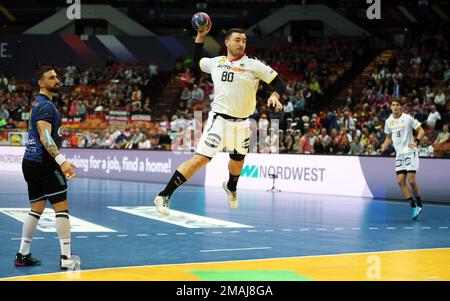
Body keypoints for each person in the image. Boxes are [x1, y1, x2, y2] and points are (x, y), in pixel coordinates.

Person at [153, 26, 285, 215]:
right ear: (227, 42)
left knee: (238, 162)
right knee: (199, 160)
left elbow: (279, 83)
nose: (241, 43)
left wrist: (275, 95)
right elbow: (198, 61)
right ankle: (164, 195)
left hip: (243, 123)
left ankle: (231, 187)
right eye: (237, 40)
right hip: (219, 120)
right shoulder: (216, 62)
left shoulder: (254, 65)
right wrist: (200, 36)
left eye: (244, 40)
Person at [15, 66, 79, 269]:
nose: (57, 79)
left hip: (31, 162)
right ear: (41, 83)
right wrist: (62, 161)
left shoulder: (39, 105)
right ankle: (66, 258)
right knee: (61, 207)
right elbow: (45, 137)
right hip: (44, 163)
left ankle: (22, 254)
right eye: (51, 77)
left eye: (57, 76)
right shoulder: (45, 106)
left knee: (37, 208)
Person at [378, 99, 425, 220]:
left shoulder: (408, 118)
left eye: (397, 105)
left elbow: (421, 131)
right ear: (391, 107)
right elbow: (388, 137)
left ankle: (419, 203)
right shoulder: (388, 121)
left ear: (400, 107)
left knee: (411, 180)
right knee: (400, 181)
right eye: (393, 105)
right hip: (399, 154)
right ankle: (413, 207)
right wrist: (383, 147)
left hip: (410, 152)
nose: (395, 107)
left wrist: (417, 141)